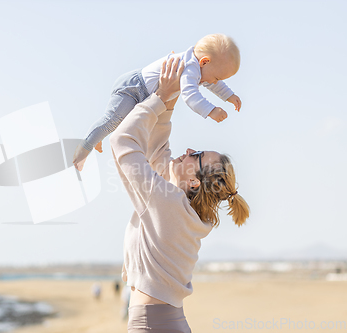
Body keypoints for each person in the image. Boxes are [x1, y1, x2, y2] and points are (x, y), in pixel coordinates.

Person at [109, 57, 250, 332]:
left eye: (195, 155)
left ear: (195, 183)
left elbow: (121, 140)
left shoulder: (167, 203)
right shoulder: (184, 208)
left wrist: (160, 96)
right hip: (165, 320)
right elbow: (158, 153)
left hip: (152, 324)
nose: (187, 150)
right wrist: (169, 99)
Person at [73, 33, 241, 171]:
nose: (213, 82)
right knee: (113, 121)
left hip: (144, 92)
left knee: (121, 123)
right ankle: (85, 148)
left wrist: (229, 95)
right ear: (204, 61)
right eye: (217, 77)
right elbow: (190, 95)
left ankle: (98, 134)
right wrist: (211, 110)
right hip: (134, 89)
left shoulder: (199, 67)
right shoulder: (191, 68)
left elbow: (215, 85)